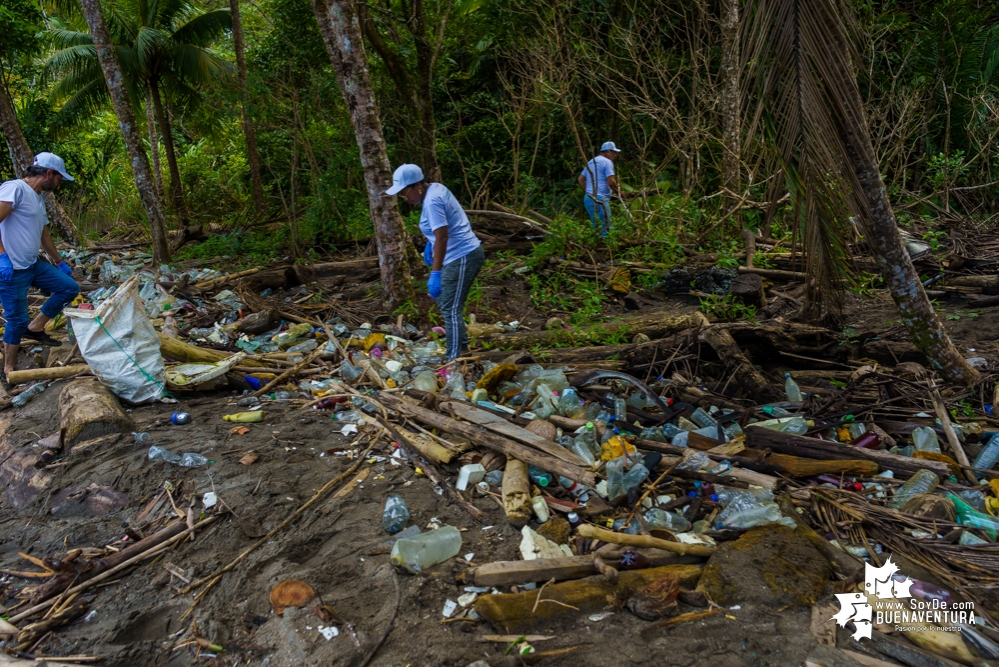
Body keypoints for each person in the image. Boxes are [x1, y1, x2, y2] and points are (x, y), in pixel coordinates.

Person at [386, 164, 483, 361]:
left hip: (462, 255)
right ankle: (461, 350)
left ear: (417, 186)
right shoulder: (436, 188)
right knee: (446, 302)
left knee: (450, 307)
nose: (405, 198)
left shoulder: (431, 201)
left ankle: (455, 360)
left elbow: (443, 236)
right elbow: (444, 226)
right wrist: (430, 244)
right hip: (457, 254)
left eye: (405, 193)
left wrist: (435, 272)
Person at [0, 152, 80, 392]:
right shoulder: (14, 189)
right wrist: (2, 256)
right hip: (11, 267)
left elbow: (44, 234)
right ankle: (9, 370)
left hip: (32, 264)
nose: (59, 184)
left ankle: (35, 328)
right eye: (59, 179)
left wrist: (59, 261)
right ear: (48, 173)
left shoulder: (38, 198)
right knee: (15, 319)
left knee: (68, 287)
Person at [578, 141, 622, 236]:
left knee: (597, 226)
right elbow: (611, 181)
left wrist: (589, 191)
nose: (615, 156)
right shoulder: (607, 162)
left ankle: (597, 247)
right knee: (606, 228)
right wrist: (619, 193)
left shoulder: (591, 162)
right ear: (608, 152)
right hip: (600, 199)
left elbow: (580, 179)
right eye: (614, 153)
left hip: (588, 198)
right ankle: (608, 248)